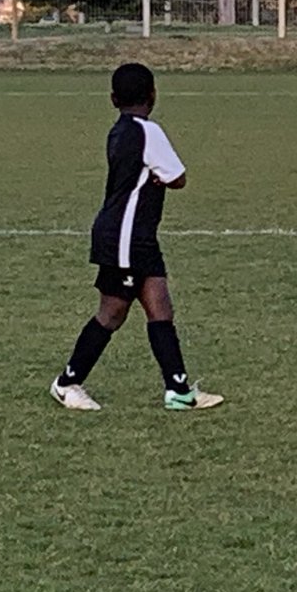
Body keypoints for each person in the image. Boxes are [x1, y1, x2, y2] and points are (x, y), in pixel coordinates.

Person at [50, 63, 223, 411]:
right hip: (126, 237)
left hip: (133, 234)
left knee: (160, 306)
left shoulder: (118, 131)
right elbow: (178, 177)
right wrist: (160, 176)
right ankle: (67, 383)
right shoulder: (149, 132)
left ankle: (178, 390)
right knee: (112, 312)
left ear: (113, 98)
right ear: (153, 95)